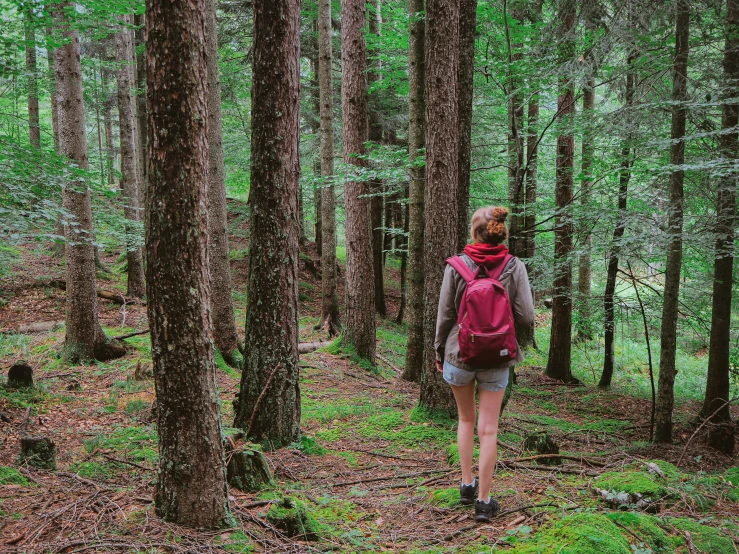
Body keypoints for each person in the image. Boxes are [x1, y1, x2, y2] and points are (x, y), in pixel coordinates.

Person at [434, 206, 535, 522]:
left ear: (474, 232)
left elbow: (445, 316)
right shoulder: (514, 266)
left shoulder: (456, 266)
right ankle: (484, 502)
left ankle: (466, 484)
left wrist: (439, 350)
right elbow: (527, 316)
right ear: (499, 232)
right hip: (498, 358)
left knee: (466, 421)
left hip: (458, 355)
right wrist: (518, 343)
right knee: (488, 430)